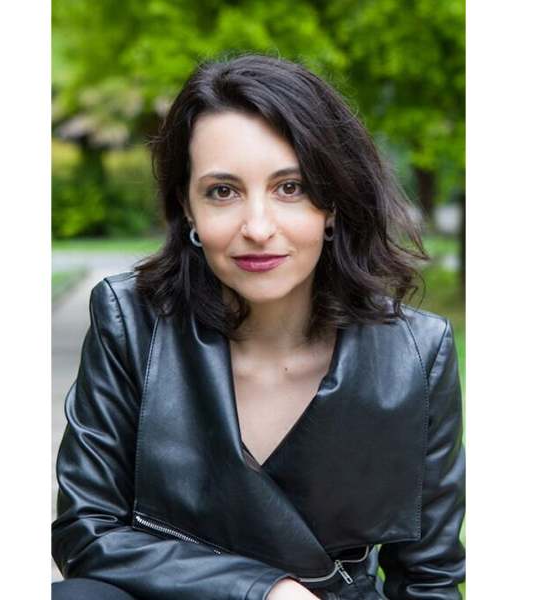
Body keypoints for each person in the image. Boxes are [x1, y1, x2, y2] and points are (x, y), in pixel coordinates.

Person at [51, 54, 466, 600]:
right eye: (222, 191)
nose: (258, 227)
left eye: (289, 187)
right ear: (187, 208)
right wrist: (264, 591)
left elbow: (429, 579)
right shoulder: (133, 324)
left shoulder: (415, 354)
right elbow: (87, 530)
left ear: (332, 204)